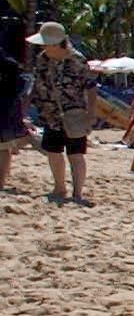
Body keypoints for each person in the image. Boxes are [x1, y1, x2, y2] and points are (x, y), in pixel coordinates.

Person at [27, 22, 96, 206]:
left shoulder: (78, 60)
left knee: (76, 154)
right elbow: (36, 85)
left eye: (45, 43)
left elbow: (91, 88)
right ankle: (59, 187)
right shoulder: (42, 59)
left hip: (74, 114)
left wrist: (91, 113)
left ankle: (77, 192)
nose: (43, 47)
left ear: (57, 44)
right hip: (50, 114)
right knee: (53, 152)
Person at [0, 13, 31, 191]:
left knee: (4, 148)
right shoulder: (12, 65)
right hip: (7, 109)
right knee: (4, 148)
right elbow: (19, 90)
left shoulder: (10, 66)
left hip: (5, 108)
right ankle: (1, 182)